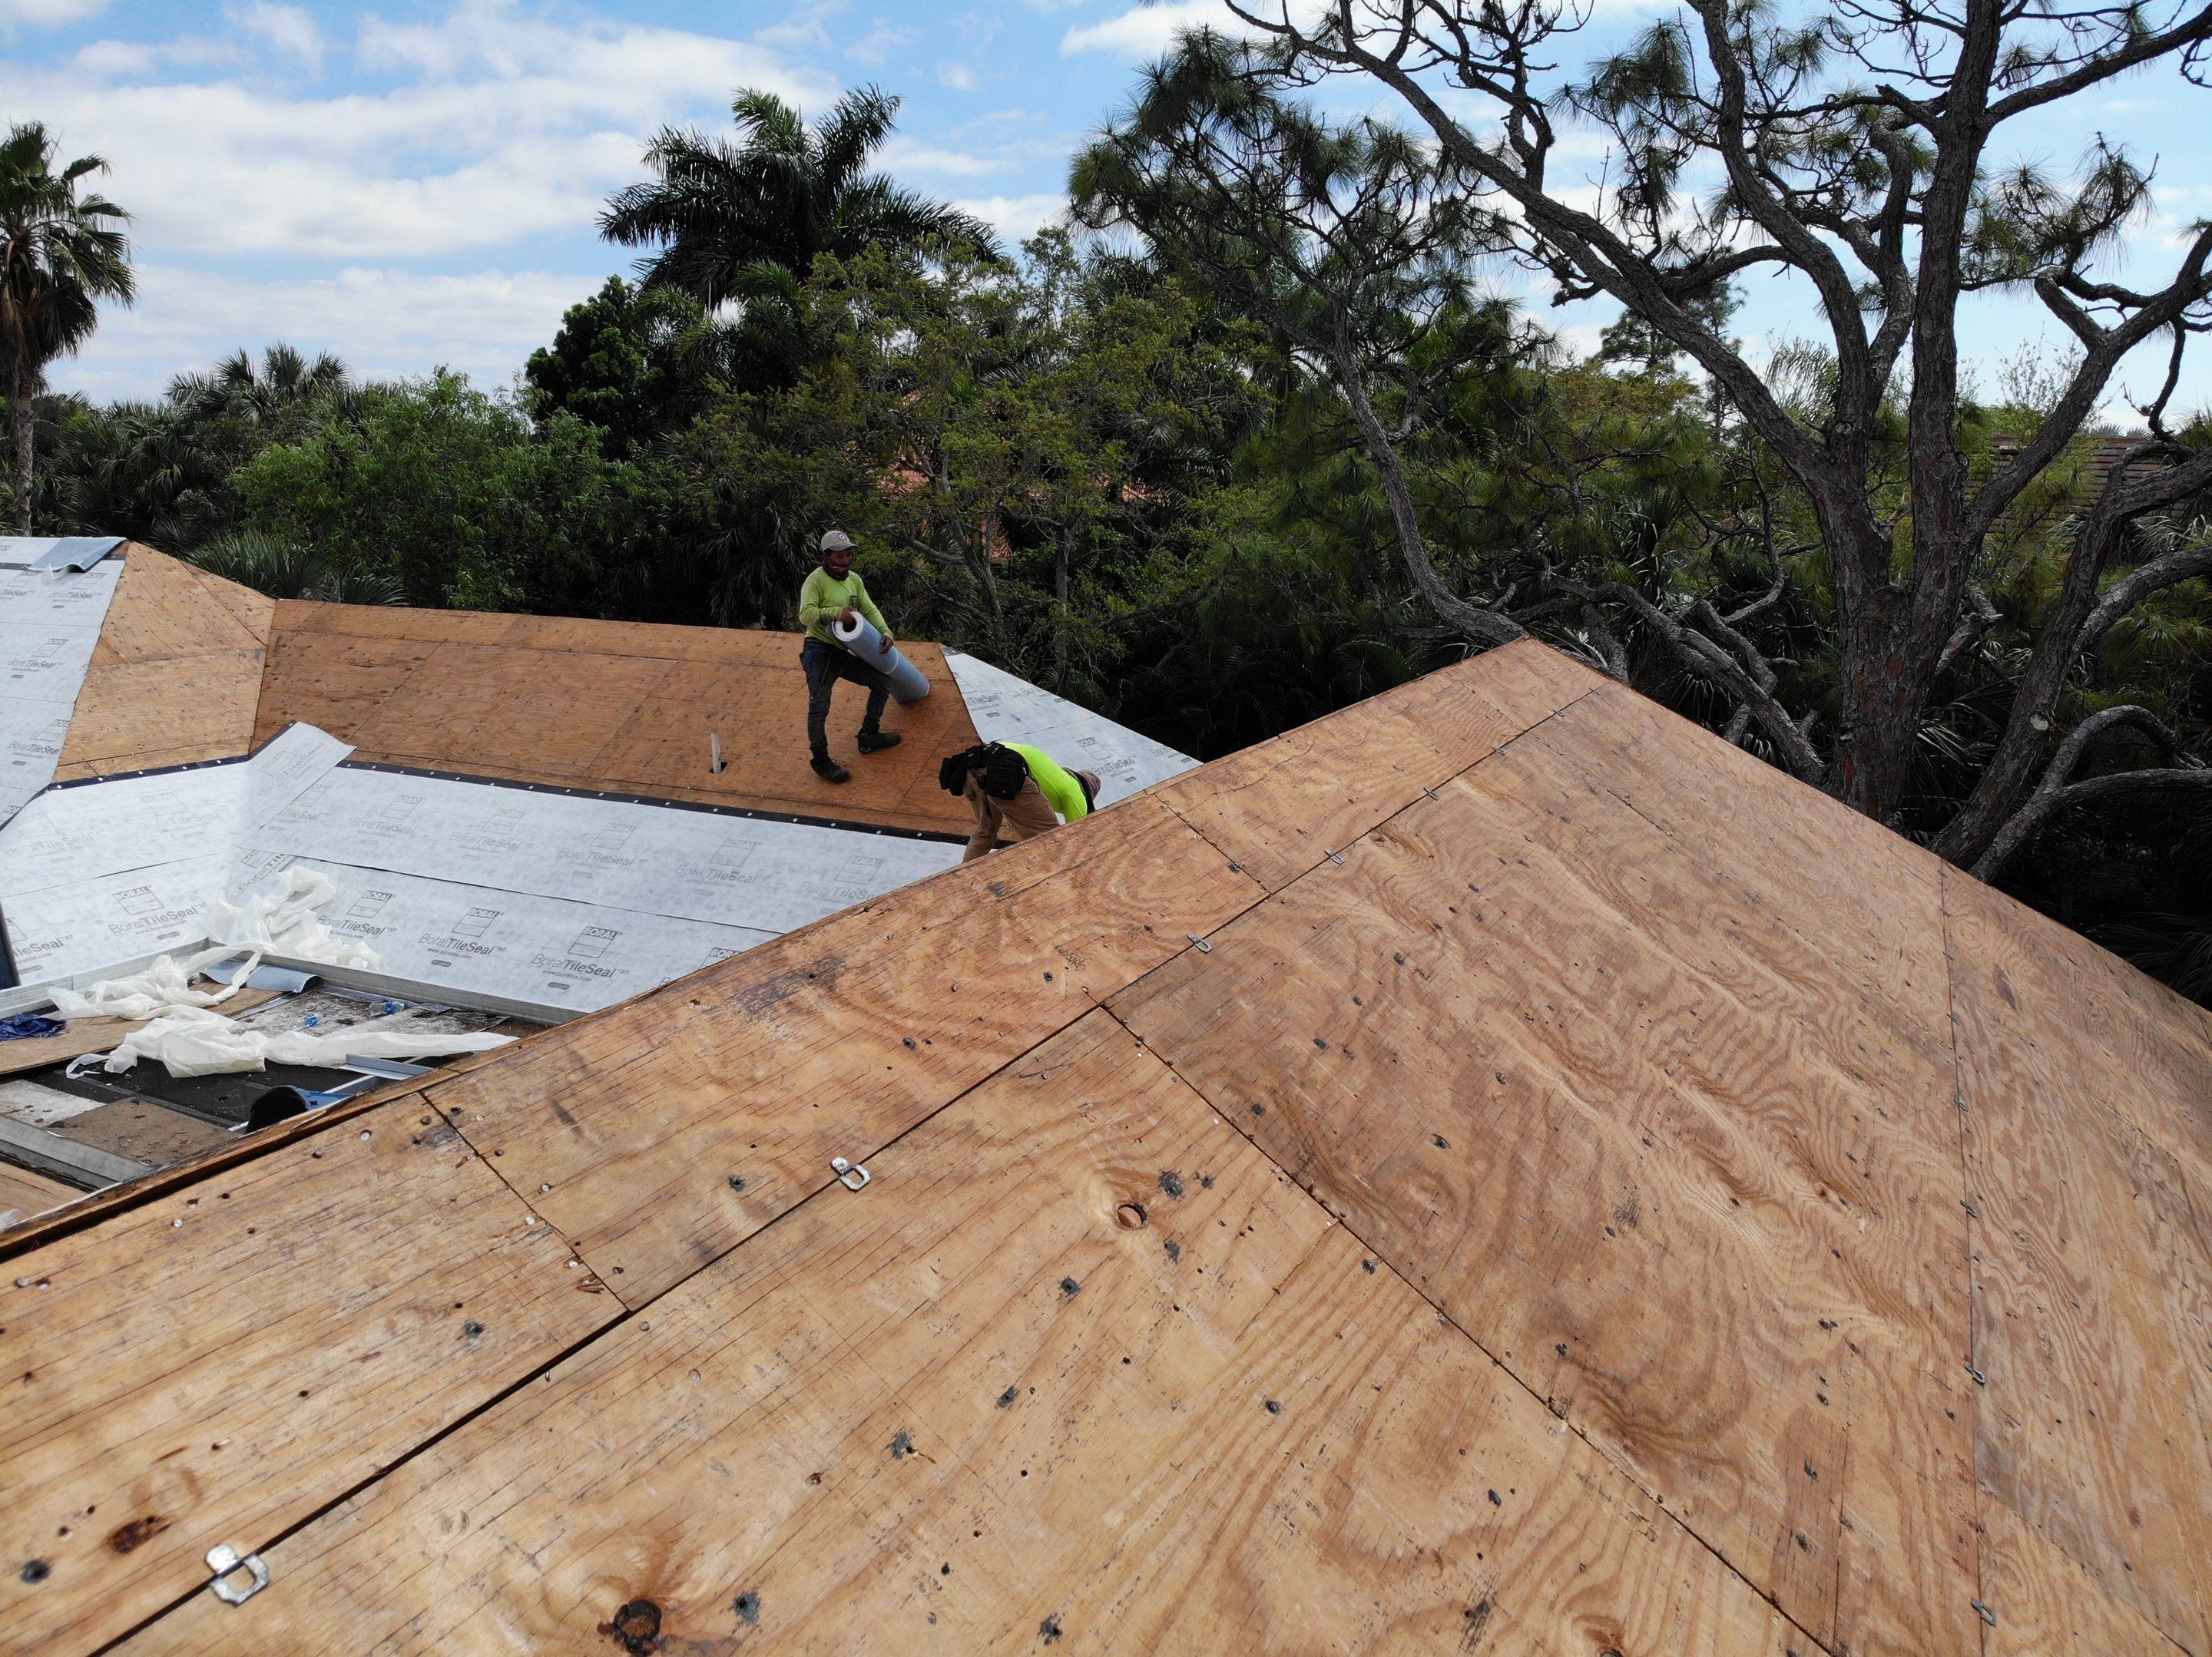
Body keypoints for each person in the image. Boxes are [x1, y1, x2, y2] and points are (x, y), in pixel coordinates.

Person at [797, 529, 903, 783]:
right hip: (819, 650)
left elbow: (868, 608)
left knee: (882, 682)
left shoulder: (854, 580)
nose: (846, 560)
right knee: (819, 706)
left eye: (848, 555)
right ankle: (821, 761)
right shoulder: (816, 581)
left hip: (842, 649)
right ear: (827, 556)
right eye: (840, 556)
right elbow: (805, 615)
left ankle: (869, 734)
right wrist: (836, 612)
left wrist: (885, 631)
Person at [941, 740, 1102, 862]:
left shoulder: (1056, 775)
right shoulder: (1077, 795)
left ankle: (963, 875)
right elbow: (1073, 839)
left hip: (973, 767)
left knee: (985, 832)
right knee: (1052, 841)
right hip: (1006, 771)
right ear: (1088, 793)